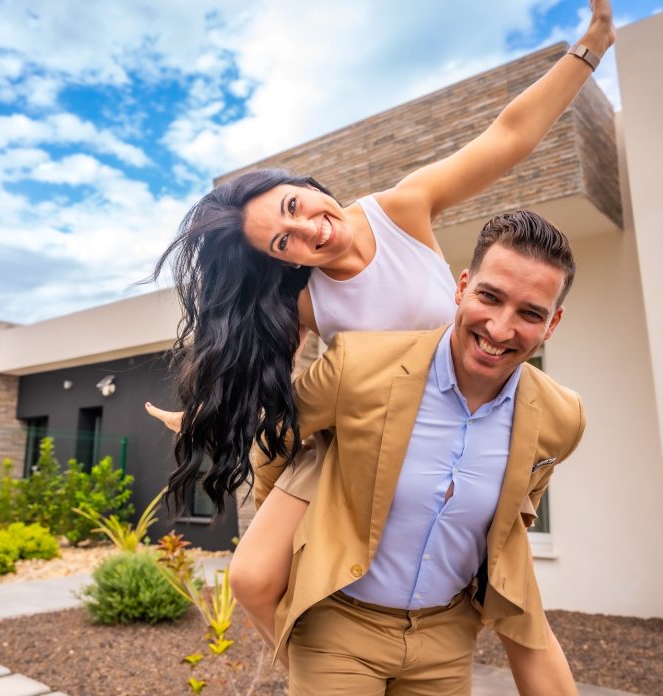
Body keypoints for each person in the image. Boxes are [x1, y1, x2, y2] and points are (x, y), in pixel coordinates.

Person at [146, 0, 614, 688]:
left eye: (294, 208)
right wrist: (211, 415)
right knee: (250, 573)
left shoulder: (401, 208)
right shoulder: (306, 299)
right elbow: (275, 392)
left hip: (462, 413)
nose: (309, 232)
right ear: (278, 259)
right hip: (363, 432)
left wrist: (592, 46)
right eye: (285, 242)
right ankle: (320, 658)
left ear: (300, 185)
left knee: (521, 609)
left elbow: (508, 135)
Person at [252, 210, 585, 695]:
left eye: (530, 313)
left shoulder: (562, 418)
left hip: (446, 641)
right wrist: (281, 530)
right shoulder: (357, 366)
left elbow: (518, 507)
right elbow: (274, 440)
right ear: (463, 286)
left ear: (551, 323)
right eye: (489, 297)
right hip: (338, 627)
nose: (500, 327)